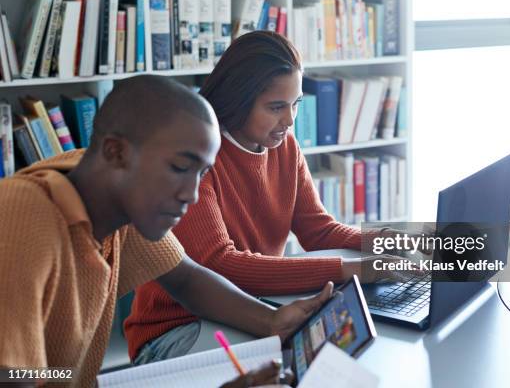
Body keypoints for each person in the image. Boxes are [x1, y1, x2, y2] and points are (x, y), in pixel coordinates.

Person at [0, 75, 332, 387]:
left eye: (201, 173)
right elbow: (20, 376)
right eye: (179, 168)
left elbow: (185, 278)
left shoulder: (108, 195)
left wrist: (272, 321)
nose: (192, 193)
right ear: (116, 152)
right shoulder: (21, 217)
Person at [125, 31, 413, 364]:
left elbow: (317, 230)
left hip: (257, 310)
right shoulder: (198, 153)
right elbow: (220, 264)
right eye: (276, 107)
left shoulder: (283, 146)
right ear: (238, 99)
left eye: (296, 104)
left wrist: (380, 242)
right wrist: (353, 269)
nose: (289, 121)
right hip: (177, 329)